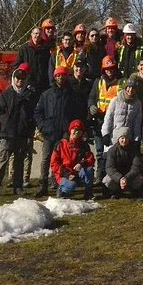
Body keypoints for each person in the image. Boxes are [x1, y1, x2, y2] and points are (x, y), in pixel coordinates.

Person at [33, 65, 88, 197]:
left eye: (63, 75)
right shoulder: (46, 94)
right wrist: (42, 126)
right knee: (46, 159)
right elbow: (38, 112)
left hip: (65, 133)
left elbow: (79, 113)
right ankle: (43, 185)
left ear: (67, 77)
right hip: (49, 132)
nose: (60, 77)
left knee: (62, 160)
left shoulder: (73, 95)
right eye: (58, 75)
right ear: (54, 77)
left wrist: (75, 130)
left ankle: (58, 182)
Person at [0, 62, 37, 198]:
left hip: (22, 133)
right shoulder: (6, 95)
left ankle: (18, 186)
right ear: (13, 79)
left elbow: (33, 113)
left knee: (19, 161)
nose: (19, 81)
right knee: (2, 161)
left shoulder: (29, 96)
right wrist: (6, 121)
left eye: (22, 79)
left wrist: (29, 127)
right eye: (17, 78)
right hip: (7, 134)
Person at [90, 55, 123, 176]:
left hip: (115, 122)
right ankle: (100, 174)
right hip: (99, 121)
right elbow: (92, 98)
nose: (110, 71)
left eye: (112, 68)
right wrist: (91, 106)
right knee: (99, 151)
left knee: (113, 150)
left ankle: (112, 175)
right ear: (103, 69)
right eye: (107, 68)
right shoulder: (98, 82)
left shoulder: (122, 83)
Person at [50, 118, 95, 199]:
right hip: (63, 174)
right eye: (75, 129)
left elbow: (91, 159)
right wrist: (67, 174)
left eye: (80, 130)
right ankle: (61, 190)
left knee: (89, 169)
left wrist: (81, 164)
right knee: (71, 185)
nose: (77, 132)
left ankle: (88, 193)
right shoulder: (60, 144)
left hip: (76, 173)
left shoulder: (84, 145)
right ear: (70, 130)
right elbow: (54, 164)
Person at [101, 77, 143, 154]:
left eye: (133, 88)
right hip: (113, 137)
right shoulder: (115, 100)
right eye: (128, 87)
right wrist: (105, 134)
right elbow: (108, 118)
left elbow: (137, 123)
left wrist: (136, 139)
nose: (130, 90)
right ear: (125, 88)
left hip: (128, 139)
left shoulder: (137, 103)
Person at [102, 126, 143, 200]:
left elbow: (136, 167)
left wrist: (126, 178)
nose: (124, 140)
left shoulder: (135, 150)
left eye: (126, 138)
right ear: (118, 139)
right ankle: (114, 192)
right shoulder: (112, 151)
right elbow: (109, 168)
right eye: (122, 138)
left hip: (129, 175)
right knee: (107, 180)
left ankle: (134, 191)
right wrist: (119, 178)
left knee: (139, 179)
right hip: (117, 176)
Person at [15, 22, 54, 95]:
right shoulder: (24, 49)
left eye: (39, 34)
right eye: (35, 33)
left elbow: (49, 66)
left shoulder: (46, 49)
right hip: (27, 85)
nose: (37, 36)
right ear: (31, 34)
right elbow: (17, 66)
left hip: (42, 85)